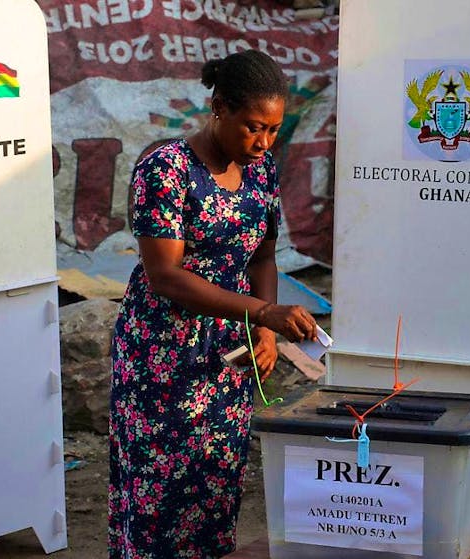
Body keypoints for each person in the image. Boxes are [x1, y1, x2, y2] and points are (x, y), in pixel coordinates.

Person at [107, 49, 318, 558]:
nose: (263, 142)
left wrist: (263, 334)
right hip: (162, 353)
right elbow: (165, 276)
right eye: (253, 127)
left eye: (272, 130)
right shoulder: (166, 169)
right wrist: (263, 314)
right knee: (159, 495)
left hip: (227, 354)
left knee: (215, 487)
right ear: (219, 107)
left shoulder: (261, 171)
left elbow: (263, 257)